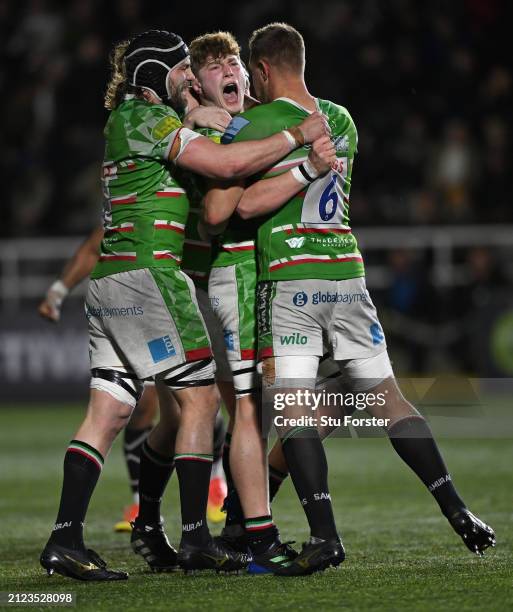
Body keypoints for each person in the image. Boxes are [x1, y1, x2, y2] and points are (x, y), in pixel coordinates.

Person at [204, 23, 496, 576]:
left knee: (293, 411)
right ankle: (457, 509)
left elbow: (236, 207)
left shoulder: (256, 122)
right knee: (390, 401)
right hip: (348, 274)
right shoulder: (342, 119)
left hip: (291, 279)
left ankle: (323, 537)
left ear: (261, 71)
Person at [39, 28, 329, 581]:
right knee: (201, 404)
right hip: (150, 276)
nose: (190, 80)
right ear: (154, 75)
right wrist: (294, 136)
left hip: (110, 284)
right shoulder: (146, 119)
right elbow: (221, 173)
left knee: (110, 413)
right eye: (181, 71)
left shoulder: (137, 121)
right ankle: (198, 538)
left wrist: (196, 119)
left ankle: (66, 539)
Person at [38, 225, 228, 533]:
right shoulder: (144, 193)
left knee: (192, 405)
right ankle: (148, 507)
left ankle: (214, 483)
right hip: (147, 293)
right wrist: (59, 290)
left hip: (186, 293)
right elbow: (95, 244)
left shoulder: (174, 187)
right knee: (160, 406)